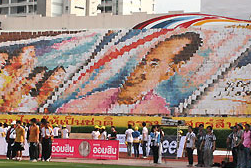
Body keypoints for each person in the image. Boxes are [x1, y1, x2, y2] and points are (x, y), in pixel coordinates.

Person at [57, 32, 203, 114]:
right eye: (143, 62)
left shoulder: (157, 109)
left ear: (170, 72)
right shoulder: (106, 96)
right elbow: (65, 111)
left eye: (154, 65)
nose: (140, 71)